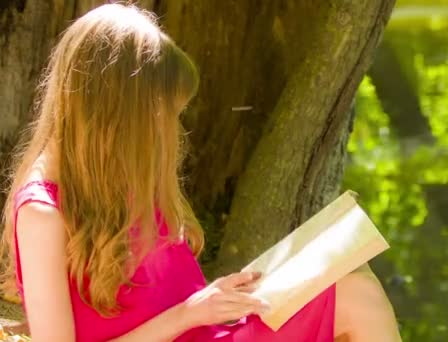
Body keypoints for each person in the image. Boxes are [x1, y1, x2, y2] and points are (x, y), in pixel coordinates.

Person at [0, 4, 401, 342]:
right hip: (189, 332)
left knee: (350, 279)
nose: (171, 132)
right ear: (116, 113)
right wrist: (187, 315)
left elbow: (167, 297)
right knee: (356, 297)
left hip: (207, 331)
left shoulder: (114, 174)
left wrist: (220, 297)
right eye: (162, 117)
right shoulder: (42, 212)